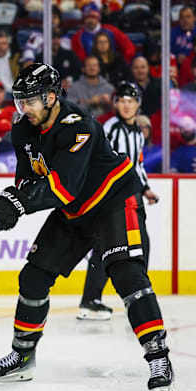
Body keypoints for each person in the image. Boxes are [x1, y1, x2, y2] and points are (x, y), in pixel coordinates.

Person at [0, 63, 176, 391]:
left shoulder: (78, 126)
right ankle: (23, 356)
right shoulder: (23, 129)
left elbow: (62, 187)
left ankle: (159, 360)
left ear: (51, 97)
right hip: (74, 211)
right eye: (20, 101)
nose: (23, 108)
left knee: (128, 275)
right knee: (33, 277)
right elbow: (29, 179)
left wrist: (19, 202)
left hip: (113, 201)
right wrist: (8, 204)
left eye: (30, 101)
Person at [76, 81, 160, 320]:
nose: (126, 105)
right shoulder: (111, 128)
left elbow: (138, 165)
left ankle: (131, 296)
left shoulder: (137, 133)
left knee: (137, 245)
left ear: (138, 105)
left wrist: (146, 189)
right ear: (115, 104)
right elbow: (99, 161)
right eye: (121, 100)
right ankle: (95, 301)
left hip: (132, 196)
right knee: (106, 246)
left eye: (130, 101)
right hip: (112, 197)